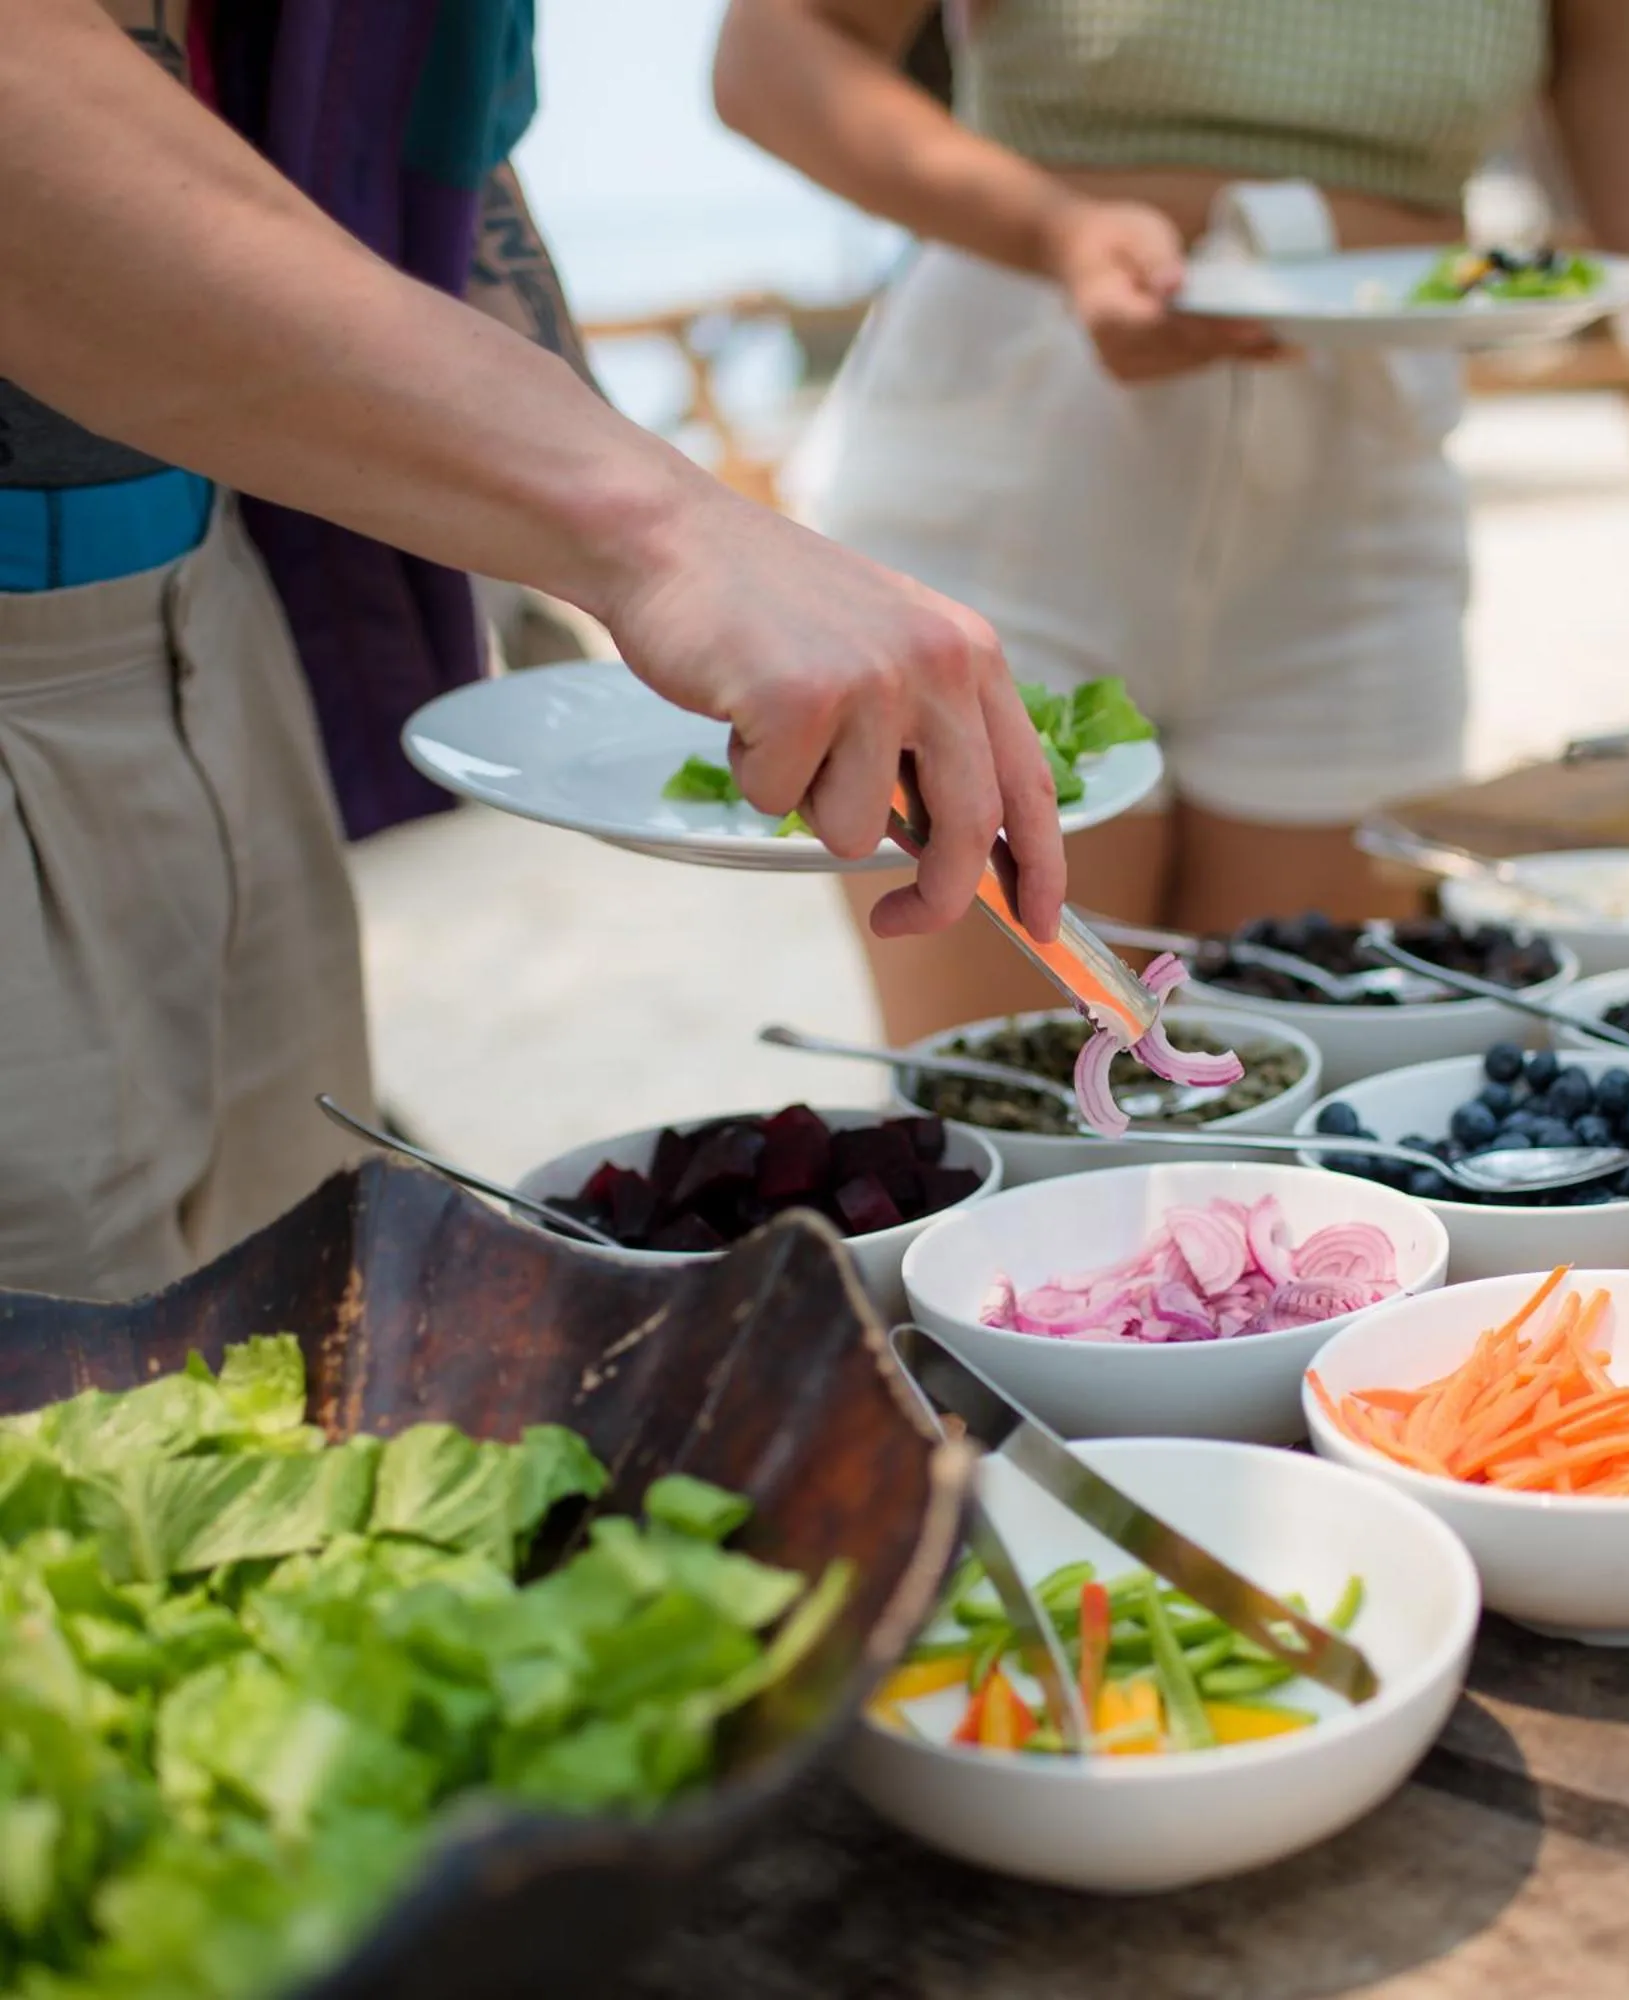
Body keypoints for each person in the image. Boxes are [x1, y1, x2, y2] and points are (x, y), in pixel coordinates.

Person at [0, 0, 1063, 1302]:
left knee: (284, 1368)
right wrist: (659, 527)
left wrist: (698, 539)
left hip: (223, 609)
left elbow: (418, 179)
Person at [716, 0, 1629, 1046]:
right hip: (1008, 450)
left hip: (1356, 496)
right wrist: (1054, 232)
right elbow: (774, 52)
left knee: (1306, 1107)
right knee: (1019, 1121)